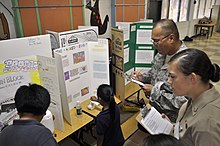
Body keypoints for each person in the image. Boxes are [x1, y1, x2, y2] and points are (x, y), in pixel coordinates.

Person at [131, 19, 188, 122]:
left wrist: (154, 91)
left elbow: (183, 101)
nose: (154, 45)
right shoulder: (161, 53)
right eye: (153, 41)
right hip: (155, 110)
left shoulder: (186, 62)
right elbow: (154, 74)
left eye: (157, 41)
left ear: (171, 38)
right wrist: (142, 78)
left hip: (171, 120)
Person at [167, 48, 220, 146]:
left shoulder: (207, 123)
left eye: (173, 77)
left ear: (192, 78)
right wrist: (171, 127)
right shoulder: (195, 99)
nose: (168, 81)